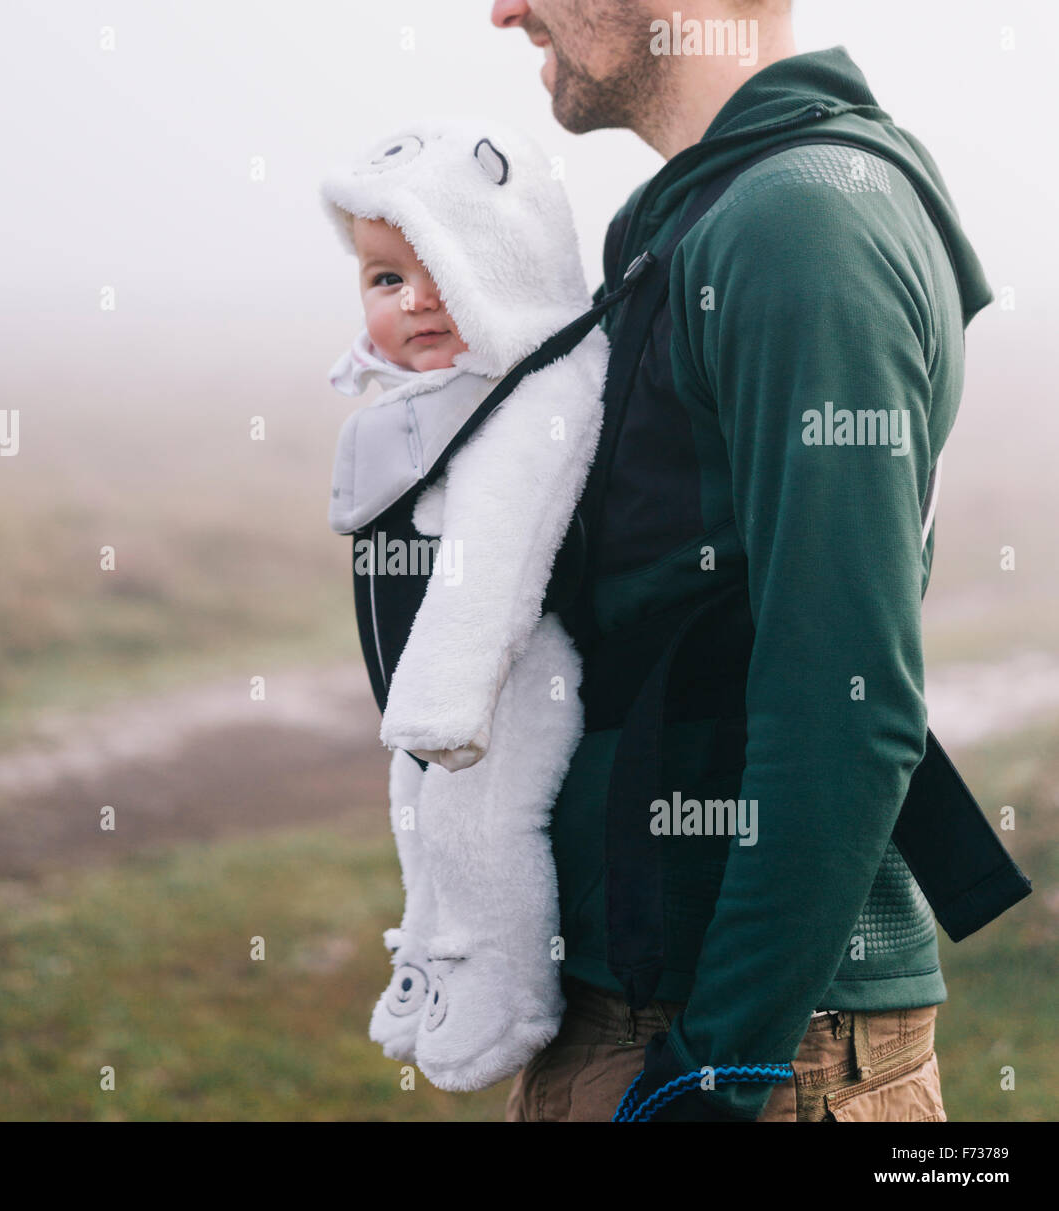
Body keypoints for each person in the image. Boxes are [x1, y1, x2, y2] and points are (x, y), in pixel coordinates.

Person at [490, 0, 996, 1121]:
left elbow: (848, 695)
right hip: (645, 1000)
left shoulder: (797, 218)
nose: (502, 10)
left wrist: (725, 1064)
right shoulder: (704, 215)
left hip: (748, 1042)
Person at [319, 118, 611, 1090]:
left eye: (443, 267)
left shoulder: (538, 390)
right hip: (445, 673)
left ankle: (503, 981)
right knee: (416, 808)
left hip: (518, 668)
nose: (418, 301)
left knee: (479, 820)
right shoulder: (438, 392)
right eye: (386, 280)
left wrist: (444, 699)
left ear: (509, 260)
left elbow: (498, 549)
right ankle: (431, 959)